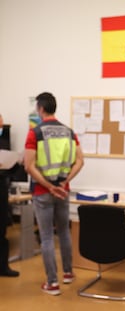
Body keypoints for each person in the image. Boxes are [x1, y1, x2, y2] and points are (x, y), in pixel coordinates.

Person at [24, 92, 84, 295]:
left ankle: (52, 283)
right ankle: (68, 273)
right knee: (64, 232)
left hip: (43, 191)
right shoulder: (69, 131)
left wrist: (49, 186)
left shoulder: (35, 133)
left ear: (40, 108)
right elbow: (80, 161)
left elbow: (28, 165)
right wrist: (64, 182)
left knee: (47, 237)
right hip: (63, 191)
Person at [0, 113, 20, 277]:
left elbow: (11, 170)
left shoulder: (4, 143)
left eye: (2, 125)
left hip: (2, 192)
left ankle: (3, 267)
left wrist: (14, 164)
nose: (1, 128)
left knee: (2, 232)